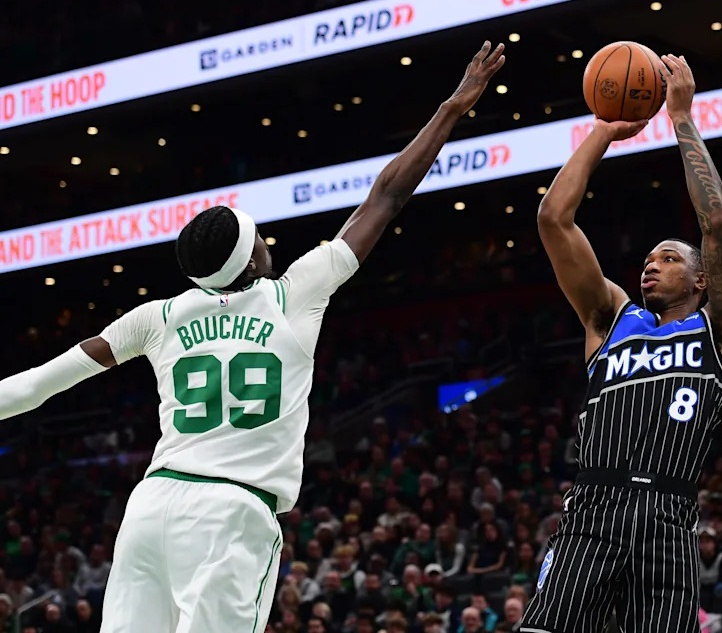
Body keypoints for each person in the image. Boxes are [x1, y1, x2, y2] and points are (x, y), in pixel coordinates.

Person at [0, 42, 506, 633]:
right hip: (231, 512)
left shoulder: (157, 317)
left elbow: (36, 387)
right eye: (260, 236)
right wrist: (452, 107)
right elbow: (387, 196)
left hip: (151, 506)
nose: (269, 240)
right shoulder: (293, 295)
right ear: (252, 258)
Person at [523, 53, 722, 633]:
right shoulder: (610, 318)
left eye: (668, 259)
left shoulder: (719, 328)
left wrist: (680, 120)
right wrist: (602, 130)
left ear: (701, 280)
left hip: (668, 514)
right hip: (592, 512)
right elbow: (554, 220)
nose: (650, 266)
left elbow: (717, 225)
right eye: (647, 259)